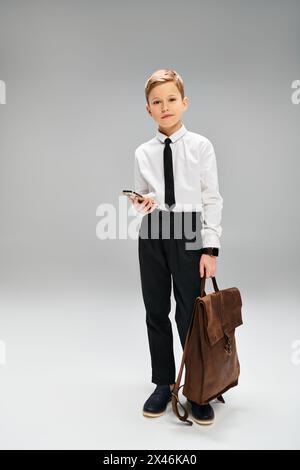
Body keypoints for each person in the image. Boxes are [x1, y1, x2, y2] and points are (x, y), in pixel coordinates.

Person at [129, 69, 223, 425]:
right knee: (155, 309)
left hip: (188, 232)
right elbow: (146, 193)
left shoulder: (201, 146)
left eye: (171, 99)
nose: (164, 106)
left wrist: (210, 249)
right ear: (148, 110)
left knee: (189, 312)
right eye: (157, 102)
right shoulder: (142, 152)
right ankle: (163, 382)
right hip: (152, 233)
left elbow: (212, 197)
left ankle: (197, 386)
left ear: (184, 103)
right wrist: (141, 204)